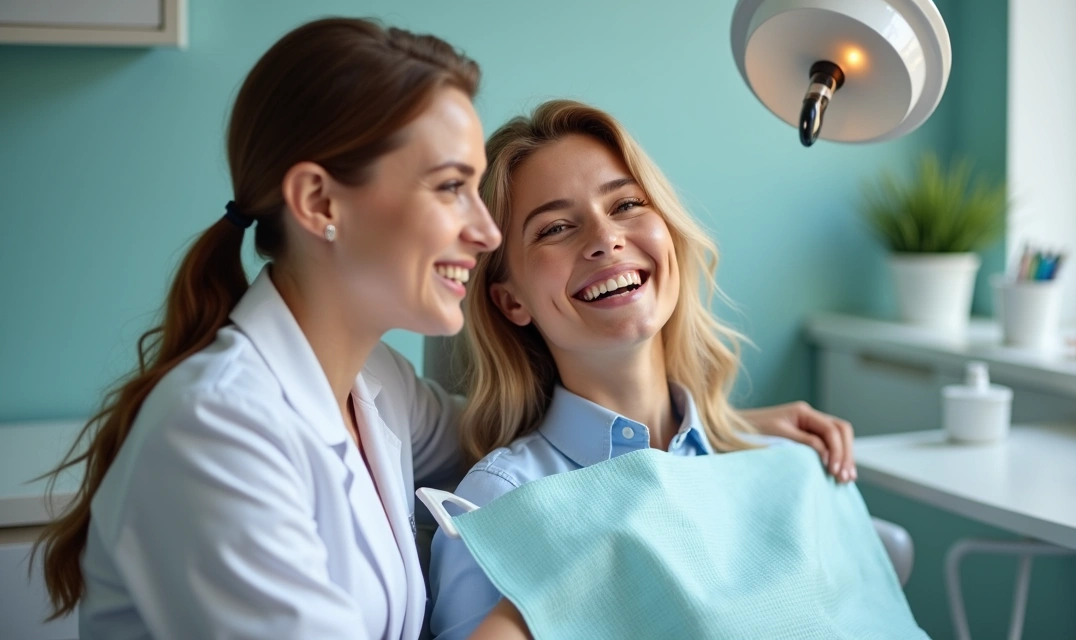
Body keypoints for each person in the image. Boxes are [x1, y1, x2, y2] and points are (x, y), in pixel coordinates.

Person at [33, 18, 525, 639]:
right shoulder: (213, 431)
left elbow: (497, 435)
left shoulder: (376, 382)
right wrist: (534, 605)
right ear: (319, 202)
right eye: (451, 187)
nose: (486, 232)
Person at [428, 99, 857, 639]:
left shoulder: (778, 463)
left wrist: (735, 431)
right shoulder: (499, 502)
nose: (605, 239)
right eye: (555, 228)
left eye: (627, 204)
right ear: (511, 300)